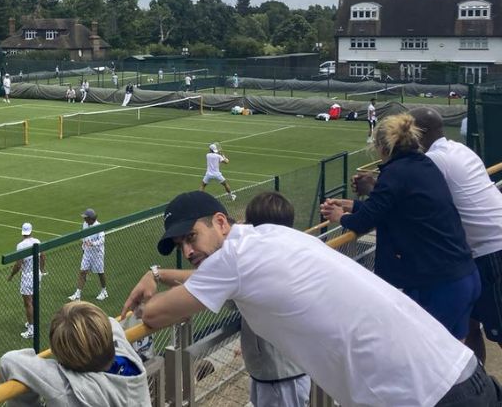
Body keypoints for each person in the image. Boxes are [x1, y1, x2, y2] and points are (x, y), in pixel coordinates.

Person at [121, 191, 500, 406]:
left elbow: (154, 315)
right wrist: (160, 273)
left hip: (422, 396)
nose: (187, 250)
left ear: (221, 222)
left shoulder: (233, 262)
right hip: (453, 373)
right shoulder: (265, 239)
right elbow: (221, 280)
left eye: (191, 237)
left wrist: (148, 294)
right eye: (180, 245)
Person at [354, 107, 502, 363]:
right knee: (468, 326)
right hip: (476, 253)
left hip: (490, 252)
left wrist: (371, 190)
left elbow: (406, 201)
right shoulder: (458, 149)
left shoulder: (433, 161)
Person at [321, 113, 479, 340]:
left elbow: (365, 221)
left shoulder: (396, 172)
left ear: (383, 147)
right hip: (463, 275)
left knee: (427, 361)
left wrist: (340, 216)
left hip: (440, 283)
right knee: (456, 360)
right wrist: (353, 205)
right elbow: (394, 209)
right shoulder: (423, 164)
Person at [0, 301, 150, 406]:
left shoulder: (67, 389)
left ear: (63, 362)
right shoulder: (127, 355)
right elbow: (111, 322)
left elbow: (9, 361)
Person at [240, 192, 310, 406]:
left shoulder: (265, 267)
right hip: (285, 369)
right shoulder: (297, 254)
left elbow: (228, 296)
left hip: (279, 374)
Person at [7, 222, 46, 339]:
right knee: (34, 299)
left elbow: (18, 264)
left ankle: (31, 329)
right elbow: (43, 256)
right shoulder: (37, 241)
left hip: (27, 275)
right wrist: (41, 270)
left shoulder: (20, 245)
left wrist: (11, 275)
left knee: (28, 302)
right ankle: (33, 323)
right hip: (37, 274)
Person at [69, 209, 108, 302]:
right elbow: (84, 235)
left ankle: (104, 291)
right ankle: (78, 294)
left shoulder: (99, 226)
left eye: (86, 218)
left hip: (97, 253)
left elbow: (102, 240)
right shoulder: (85, 224)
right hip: (87, 252)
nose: (84, 219)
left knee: (100, 273)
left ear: (91, 219)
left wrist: (93, 244)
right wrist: (84, 243)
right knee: (82, 271)